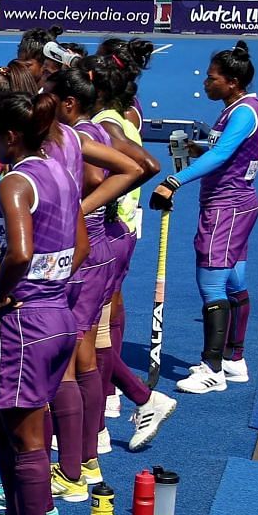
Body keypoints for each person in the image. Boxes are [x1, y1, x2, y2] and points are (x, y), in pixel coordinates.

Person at [0, 91, 85, 515]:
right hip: (57, 311)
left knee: (24, 435)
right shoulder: (59, 168)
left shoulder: (16, 181)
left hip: (26, 322)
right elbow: (79, 242)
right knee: (15, 423)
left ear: (10, 135)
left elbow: (18, 252)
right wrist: (49, 282)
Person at [46, 67, 156, 498]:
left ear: (68, 104)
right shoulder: (94, 128)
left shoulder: (81, 135)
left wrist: (85, 207)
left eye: (48, 97)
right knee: (88, 354)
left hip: (86, 249)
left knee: (71, 361)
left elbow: (120, 173)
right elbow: (145, 165)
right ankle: (87, 458)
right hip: (102, 244)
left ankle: (71, 469)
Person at [148, 42, 258, 404]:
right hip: (235, 205)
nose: (206, 83)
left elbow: (224, 154)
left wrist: (174, 181)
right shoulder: (234, 109)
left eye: (212, 78)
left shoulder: (244, 112)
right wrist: (196, 148)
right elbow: (222, 150)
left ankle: (212, 369)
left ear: (231, 81)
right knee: (234, 282)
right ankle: (235, 360)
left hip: (226, 209)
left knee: (211, 284)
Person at [89, 39, 177, 438]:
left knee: (87, 331)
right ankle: (111, 399)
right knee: (100, 324)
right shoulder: (129, 110)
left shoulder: (107, 121)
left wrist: (102, 202)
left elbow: (144, 165)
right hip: (122, 225)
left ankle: (127, 400)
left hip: (108, 230)